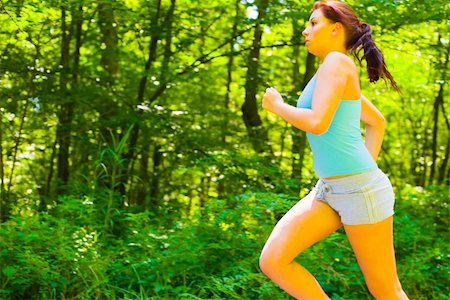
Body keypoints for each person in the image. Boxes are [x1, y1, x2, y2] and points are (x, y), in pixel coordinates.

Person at [259, 1, 409, 299]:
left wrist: (278, 107)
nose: (306, 30)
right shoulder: (331, 69)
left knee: (386, 291)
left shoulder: (337, 64)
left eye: (313, 23)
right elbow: (376, 123)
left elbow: (317, 122)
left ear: (335, 28)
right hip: (329, 189)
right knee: (274, 261)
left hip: (358, 191)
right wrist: (353, 172)